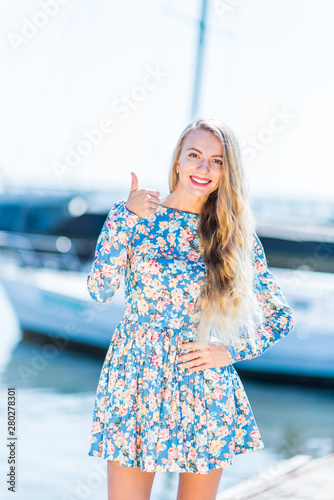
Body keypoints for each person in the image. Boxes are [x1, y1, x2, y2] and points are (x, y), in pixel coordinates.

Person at [87, 118, 294, 500]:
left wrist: (229, 352)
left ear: (225, 172)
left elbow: (281, 317)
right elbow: (99, 290)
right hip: (136, 378)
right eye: (195, 156)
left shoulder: (234, 234)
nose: (204, 168)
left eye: (216, 161)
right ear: (177, 161)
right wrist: (123, 220)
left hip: (202, 385)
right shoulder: (134, 216)